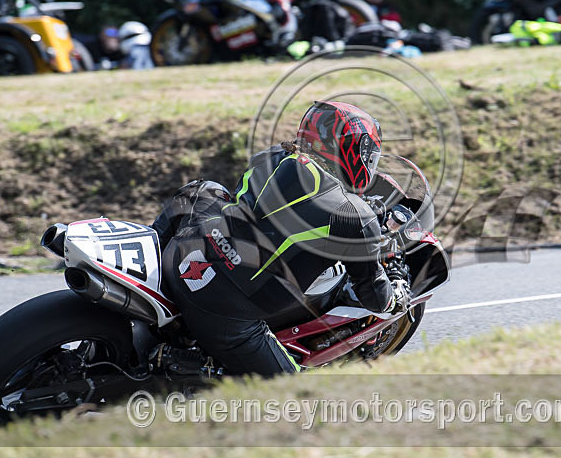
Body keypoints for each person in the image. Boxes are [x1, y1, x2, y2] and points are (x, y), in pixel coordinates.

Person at [153, 102, 411, 377]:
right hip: (224, 312)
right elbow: (374, 296)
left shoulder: (274, 156)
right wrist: (397, 292)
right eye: (367, 156)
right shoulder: (354, 215)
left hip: (179, 256)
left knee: (208, 190)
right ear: (349, 150)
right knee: (298, 400)